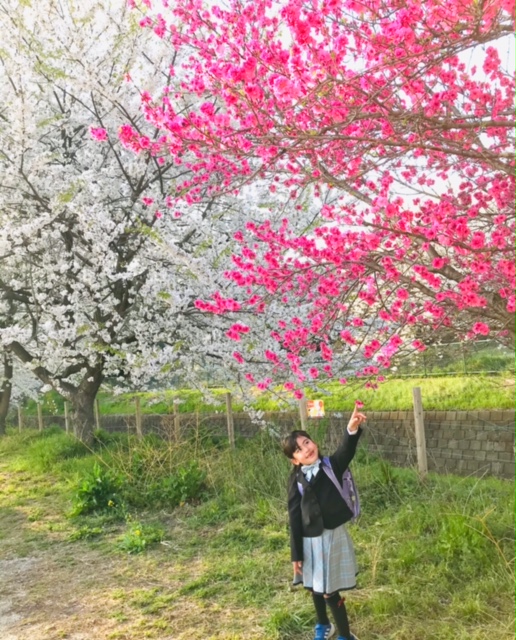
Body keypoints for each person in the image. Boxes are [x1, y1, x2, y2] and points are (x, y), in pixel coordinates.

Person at [281, 404, 366, 640]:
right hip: (309, 540)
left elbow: (345, 451)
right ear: (294, 460)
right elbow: (294, 516)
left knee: (330, 590)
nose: (305, 449)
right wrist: (296, 553)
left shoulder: (331, 466)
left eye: (306, 442)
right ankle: (323, 624)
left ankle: (345, 635)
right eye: (298, 450)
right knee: (314, 585)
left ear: (313, 442)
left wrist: (351, 430)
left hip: (332, 536)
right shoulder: (295, 480)